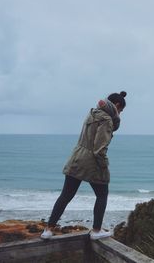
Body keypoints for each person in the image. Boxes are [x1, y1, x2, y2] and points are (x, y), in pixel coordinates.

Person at [41, 91, 127, 240]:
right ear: (117, 105)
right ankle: (96, 230)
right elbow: (99, 149)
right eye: (121, 111)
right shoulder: (107, 120)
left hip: (76, 157)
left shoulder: (92, 113)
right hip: (92, 161)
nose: (120, 114)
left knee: (66, 195)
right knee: (102, 194)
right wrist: (104, 165)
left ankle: (48, 229)